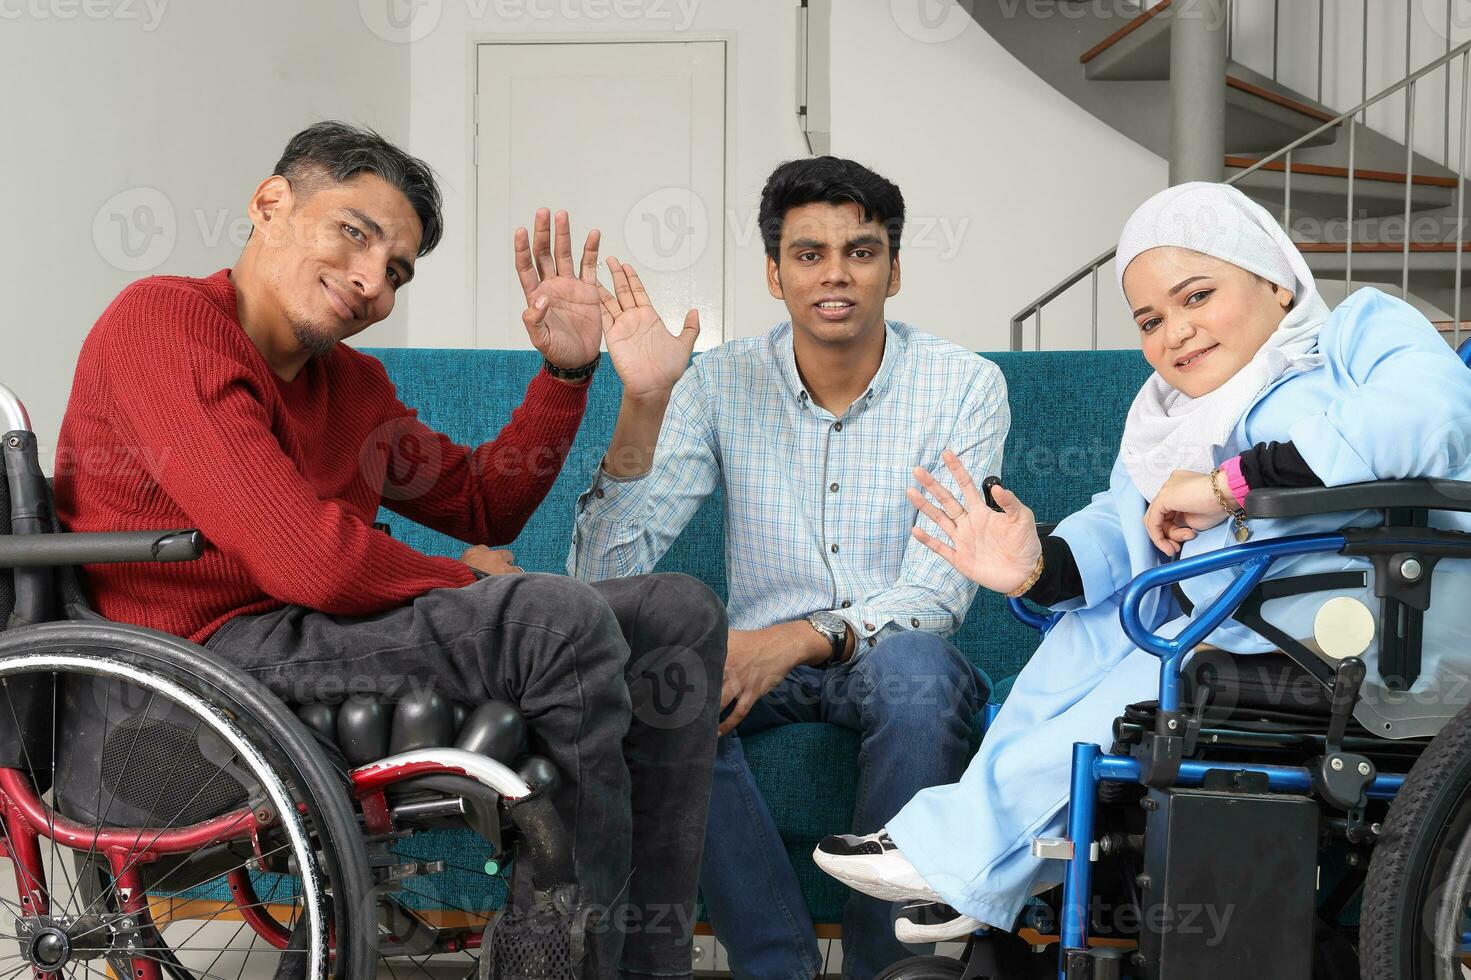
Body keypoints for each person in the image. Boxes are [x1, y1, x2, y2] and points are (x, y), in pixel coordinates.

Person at [53, 120, 726, 980]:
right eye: (355, 233)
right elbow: (311, 562)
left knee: (675, 611)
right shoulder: (164, 324)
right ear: (270, 205)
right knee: (553, 621)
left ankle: (644, 966)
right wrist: (463, 577)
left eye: (397, 271)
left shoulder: (349, 383)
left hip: (304, 635)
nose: (372, 281)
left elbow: (485, 501)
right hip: (192, 666)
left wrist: (564, 377)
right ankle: (544, 964)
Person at [814, 181, 1471, 940]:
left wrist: (1232, 486)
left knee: (1156, 659)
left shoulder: (1358, 331)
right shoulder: (1169, 417)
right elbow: (1122, 527)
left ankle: (966, 853)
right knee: (1093, 624)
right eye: (1151, 320)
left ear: (1275, 280)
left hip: (1380, 633)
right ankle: (975, 860)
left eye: (1197, 296)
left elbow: (1432, 416)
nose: (1176, 333)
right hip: (1247, 626)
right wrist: (1037, 566)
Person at [568, 156, 1007, 978]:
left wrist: (795, 639)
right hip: (752, 666)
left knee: (923, 669)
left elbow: (937, 597)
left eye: (861, 252)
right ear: (774, 275)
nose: (835, 274)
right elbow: (605, 575)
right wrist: (643, 404)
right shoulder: (719, 382)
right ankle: (776, 966)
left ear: (894, 269)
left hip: (883, 655)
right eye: (808, 254)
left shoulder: (964, 385)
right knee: (656, 680)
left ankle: (886, 970)